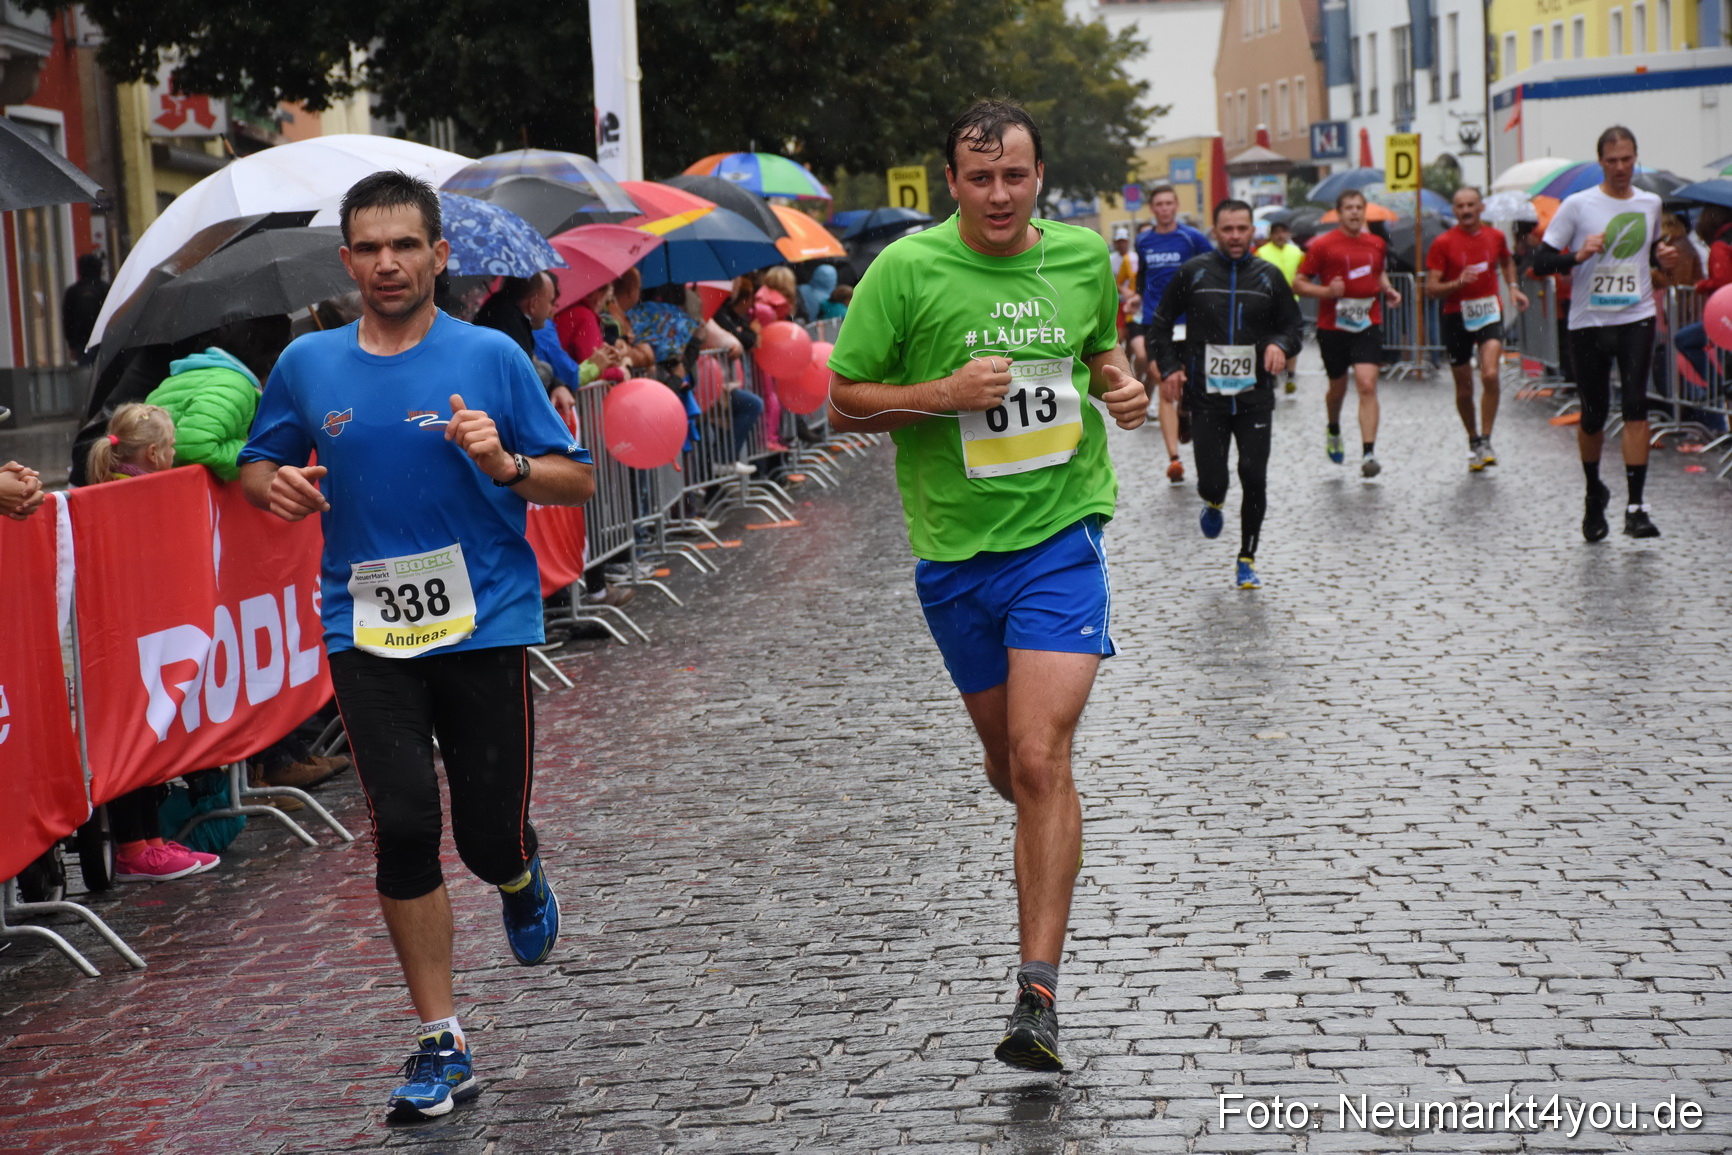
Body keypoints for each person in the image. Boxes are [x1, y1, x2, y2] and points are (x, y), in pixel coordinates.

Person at [237, 170, 596, 1121]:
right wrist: (265, 483)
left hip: (487, 623)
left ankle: (521, 872)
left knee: (484, 836)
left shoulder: (491, 356)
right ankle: (443, 1039)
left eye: (406, 245)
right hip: (367, 630)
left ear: (440, 256)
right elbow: (256, 456)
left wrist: (508, 462)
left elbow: (575, 481)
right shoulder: (309, 364)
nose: (388, 263)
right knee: (400, 821)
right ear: (347, 258)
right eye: (369, 247)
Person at [826, 99, 1147, 1073]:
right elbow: (842, 402)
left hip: (1059, 535)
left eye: (1015, 176)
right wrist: (941, 396)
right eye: (980, 178)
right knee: (1010, 770)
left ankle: (1036, 994)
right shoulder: (907, 271)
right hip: (953, 557)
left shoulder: (1084, 258)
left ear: (1038, 175)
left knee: (1040, 760)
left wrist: (1120, 383)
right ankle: (1041, 824)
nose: (999, 194)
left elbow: (1100, 351)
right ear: (951, 183)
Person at [85, 403, 225, 880]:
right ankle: (136, 846)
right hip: (128, 636)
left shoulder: (121, 489)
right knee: (135, 739)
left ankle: (150, 842)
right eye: (170, 448)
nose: (175, 455)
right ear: (154, 454)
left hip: (135, 634)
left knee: (144, 736)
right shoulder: (134, 496)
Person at [1530, 126, 1680, 539]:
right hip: (1589, 321)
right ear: (1600, 161)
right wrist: (1575, 256)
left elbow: (1648, 251)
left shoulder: (1650, 202)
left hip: (1636, 315)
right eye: (1612, 161)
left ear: (1636, 158)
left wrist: (1663, 257)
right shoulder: (1578, 206)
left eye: (1627, 159)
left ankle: (1636, 507)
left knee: (1635, 403)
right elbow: (1539, 262)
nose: (1620, 168)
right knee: (1594, 413)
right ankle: (1594, 495)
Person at [1151, 200, 1304, 591]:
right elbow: (1162, 322)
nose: (1235, 236)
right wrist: (1170, 368)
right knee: (1213, 480)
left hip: (1255, 396)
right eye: (1228, 229)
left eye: (1242, 228)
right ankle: (1213, 501)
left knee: (1254, 476)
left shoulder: (1269, 276)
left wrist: (1280, 346)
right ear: (1215, 231)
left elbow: (1293, 326)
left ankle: (1246, 558)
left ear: (1254, 230)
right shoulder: (1195, 272)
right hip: (1207, 397)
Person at [1296, 189, 1402, 477]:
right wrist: (1326, 291)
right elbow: (1299, 283)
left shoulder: (1376, 243)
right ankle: (1333, 426)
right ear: (1339, 213)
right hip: (1333, 326)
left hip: (1367, 322)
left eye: (1359, 208)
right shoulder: (1323, 246)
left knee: (1367, 384)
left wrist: (1388, 289)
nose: (1355, 213)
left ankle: (1368, 452)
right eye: (1349, 208)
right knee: (1338, 388)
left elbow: (1377, 271)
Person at [1425, 187, 1530, 471]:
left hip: (1488, 312)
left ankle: (1486, 438)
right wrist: (1457, 283)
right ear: (1454, 210)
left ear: (1481, 207)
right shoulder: (1443, 243)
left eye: (1471, 204)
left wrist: (1513, 288)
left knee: (1490, 372)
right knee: (1464, 388)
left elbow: (1507, 261)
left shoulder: (1495, 237)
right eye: (1460, 206)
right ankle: (1473, 439)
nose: (1466, 210)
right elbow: (1431, 289)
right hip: (1455, 315)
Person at [1134, 185, 1212, 482]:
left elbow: (1213, 267)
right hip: (1158, 323)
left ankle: (1185, 413)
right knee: (1166, 384)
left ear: (1176, 206)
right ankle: (1174, 459)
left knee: (1189, 387)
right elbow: (1144, 277)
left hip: (1192, 323)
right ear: (1152, 209)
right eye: (1159, 204)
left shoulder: (1192, 238)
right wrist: (1137, 298)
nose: (1165, 208)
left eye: (1169, 203)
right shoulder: (1143, 241)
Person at [1254, 220, 1305, 393]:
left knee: (1292, 336)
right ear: (1270, 235)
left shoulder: (1297, 252)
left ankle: (1291, 374)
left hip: (1292, 301)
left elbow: (1304, 273)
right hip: (1267, 303)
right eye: (1276, 232)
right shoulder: (1261, 252)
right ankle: (1272, 372)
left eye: (1283, 232)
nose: (1280, 235)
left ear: (1288, 234)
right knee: (1271, 337)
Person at [62, 251, 109, 366]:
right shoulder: (106, 289)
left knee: (86, 373)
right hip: (103, 338)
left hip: (82, 341)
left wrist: (72, 344)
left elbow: (67, 320)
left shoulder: (73, 292)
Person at [1109, 225, 1139, 339]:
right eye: (1119, 242)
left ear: (1128, 242)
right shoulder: (1110, 259)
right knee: (1120, 335)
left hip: (1133, 301)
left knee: (1131, 334)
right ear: (1115, 243)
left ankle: (1128, 356)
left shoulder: (1135, 257)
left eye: (1124, 241)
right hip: (1117, 300)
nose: (1121, 244)